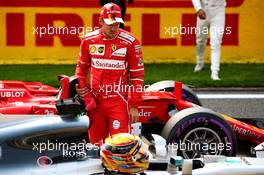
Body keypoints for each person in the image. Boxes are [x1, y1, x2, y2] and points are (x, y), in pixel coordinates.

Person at [75, 3, 144, 144]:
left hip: (118, 102)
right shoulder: (88, 40)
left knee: (121, 145)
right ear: (100, 21)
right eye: (110, 24)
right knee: (94, 145)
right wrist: (83, 91)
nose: (114, 28)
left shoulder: (130, 42)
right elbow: (81, 68)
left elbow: (137, 75)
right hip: (95, 103)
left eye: (117, 24)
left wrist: (134, 105)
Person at [192, 0, 226, 80]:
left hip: (219, 11)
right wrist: (198, 8)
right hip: (204, 9)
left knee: (216, 43)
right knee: (200, 40)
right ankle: (200, 62)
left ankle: (215, 72)